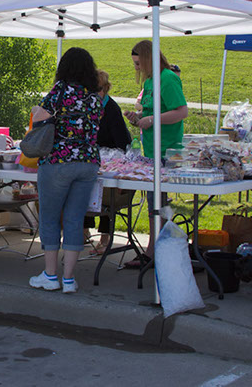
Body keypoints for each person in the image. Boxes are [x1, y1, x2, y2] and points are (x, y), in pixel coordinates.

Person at [29, 47, 103, 294]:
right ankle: (69, 279)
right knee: (74, 219)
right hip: (88, 163)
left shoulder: (59, 92)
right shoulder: (94, 97)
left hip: (58, 162)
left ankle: (50, 275)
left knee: (50, 218)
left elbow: (39, 118)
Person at [123, 40, 187, 267]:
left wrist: (152, 119)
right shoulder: (150, 81)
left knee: (157, 204)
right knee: (153, 202)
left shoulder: (168, 79)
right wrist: (139, 120)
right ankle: (154, 249)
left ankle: (154, 252)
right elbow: (151, 114)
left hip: (166, 151)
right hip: (151, 150)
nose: (137, 68)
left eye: (139, 63)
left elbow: (181, 112)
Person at [83, 69, 132, 254]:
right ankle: (84, 231)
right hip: (91, 157)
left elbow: (122, 143)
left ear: (105, 89)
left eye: (96, 91)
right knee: (83, 186)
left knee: (106, 193)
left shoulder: (111, 109)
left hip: (113, 158)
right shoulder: (86, 106)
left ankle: (105, 237)